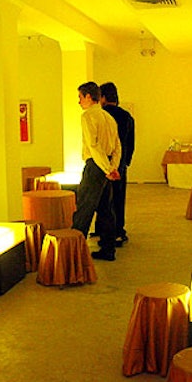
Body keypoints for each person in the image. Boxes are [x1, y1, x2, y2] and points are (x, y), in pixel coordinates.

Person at [72, 81, 121, 261]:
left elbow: (93, 146)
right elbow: (117, 145)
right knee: (106, 210)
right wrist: (112, 167)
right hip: (105, 165)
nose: (79, 102)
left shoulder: (87, 116)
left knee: (84, 208)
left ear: (87, 97)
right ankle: (108, 250)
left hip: (95, 166)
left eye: (80, 97)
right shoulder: (108, 117)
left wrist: (107, 169)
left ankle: (75, 252)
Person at [95, 82, 135, 247]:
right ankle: (119, 231)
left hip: (103, 163)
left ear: (103, 97)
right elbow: (131, 142)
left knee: (103, 199)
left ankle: (104, 231)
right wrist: (125, 162)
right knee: (118, 199)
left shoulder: (101, 115)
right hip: (120, 164)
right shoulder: (126, 116)